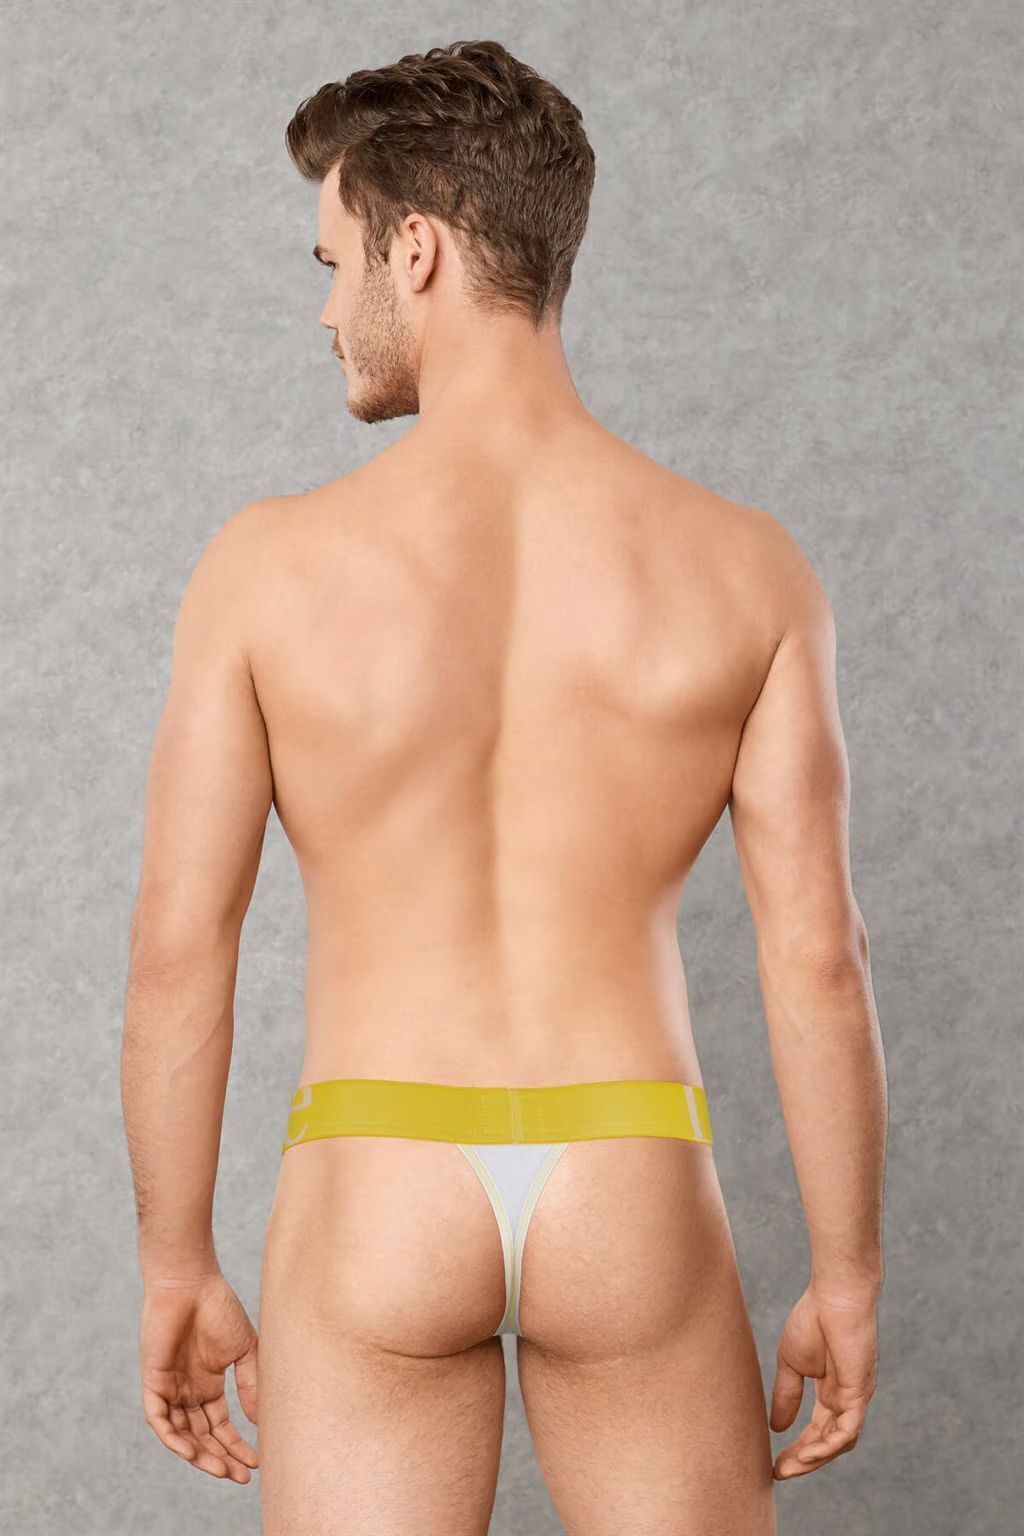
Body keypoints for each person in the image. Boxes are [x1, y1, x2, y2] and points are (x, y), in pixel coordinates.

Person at [120, 38, 887, 1536]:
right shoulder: (747, 571)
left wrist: (175, 1261)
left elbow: (177, 948)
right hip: (630, 1177)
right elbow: (819, 958)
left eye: (335, 261)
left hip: (375, 1169)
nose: (326, 309)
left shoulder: (266, 571)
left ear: (415, 249)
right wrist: (849, 1275)